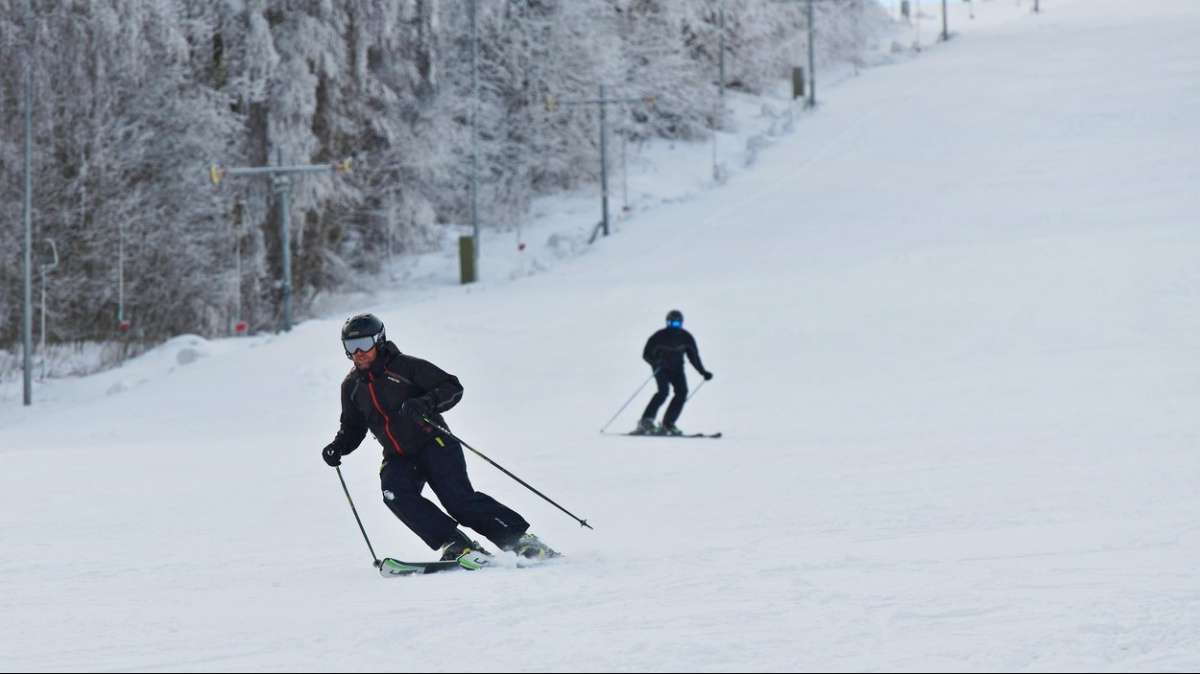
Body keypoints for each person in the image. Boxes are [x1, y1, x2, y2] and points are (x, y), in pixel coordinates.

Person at [321, 313, 558, 566]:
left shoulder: (406, 367)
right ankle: (456, 543)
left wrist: (425, 403)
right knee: (394, 493)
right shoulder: (352, 387)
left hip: (434, 443)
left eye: (365, 344)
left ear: (379, 341)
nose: (358, 352)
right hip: (398, 455)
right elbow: (353, 427)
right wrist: (338, 446)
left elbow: (451, 387)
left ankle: (522, 541)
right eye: (350, 346)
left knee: (458, 501)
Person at [636, 309, 713, 435]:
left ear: (682, 323)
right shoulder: (659, 336)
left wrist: (703, 372)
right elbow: (646, 354)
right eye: (672, 323)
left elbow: (693, 357)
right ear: (667, 322)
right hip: (661, 368)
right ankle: (646, 421)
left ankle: (668, 423)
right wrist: (656, 362)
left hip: (677, 369)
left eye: (677, 323)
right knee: (663, 391)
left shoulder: (686, 337)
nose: (675, 326)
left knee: (682, 392)